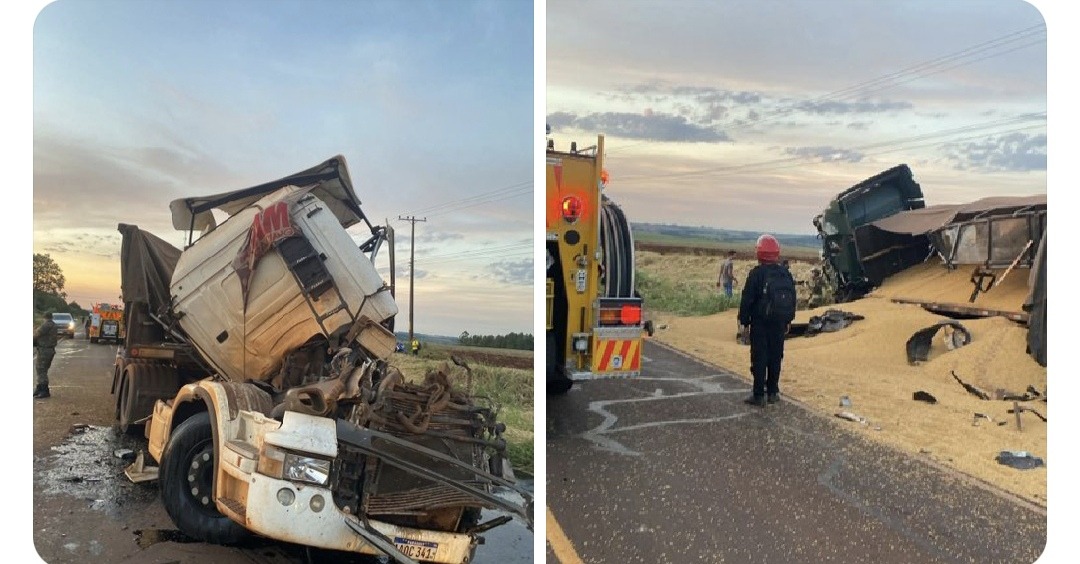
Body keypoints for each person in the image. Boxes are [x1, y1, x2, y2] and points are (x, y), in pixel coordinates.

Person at [738, 234, 797, 407]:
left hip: (760, 322)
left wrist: (744, 321)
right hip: (779, 322)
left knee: (759, 357)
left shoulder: (756, 274)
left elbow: (747, 299)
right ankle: (773, 392)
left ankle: (758, 395)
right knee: (775, 357)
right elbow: (792, 298)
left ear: (759, 252)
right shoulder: (785, 273)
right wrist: (788, 320)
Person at [33, 312, 59, 398]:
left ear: (44, 317)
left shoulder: (46, 325)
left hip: (44, 350)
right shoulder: (54, 325)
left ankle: (44, 390)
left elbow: (37, 334)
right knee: (42, 369)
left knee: (41, 370)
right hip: (49, 350)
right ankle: (39, 388)